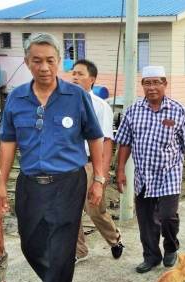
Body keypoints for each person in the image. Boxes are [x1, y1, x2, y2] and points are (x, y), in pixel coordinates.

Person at [0, 33, 105, 282]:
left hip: (68, 184)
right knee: (31, 247)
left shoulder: (76, 95)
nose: (44, 67)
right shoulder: (16, 98)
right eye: (37, 61)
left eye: (50, 60)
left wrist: (98, 178)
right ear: (27, 62)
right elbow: (7, 143)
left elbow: (95, 137)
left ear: (59, 62)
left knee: (61, 250)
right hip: (30, 184)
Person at [115, 65, 185, 274]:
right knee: (146, 221)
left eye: (157, 82)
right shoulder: (133, 110)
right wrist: (120, 171)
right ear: (143, 86)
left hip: (169, 173)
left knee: (167, 215)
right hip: (143, 175)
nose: (152, 87)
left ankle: (171, 246)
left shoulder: (177, 109)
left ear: (165, 84)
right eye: (147, 83)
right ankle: (151, 256)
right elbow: (125, 143)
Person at [70, 59, 125, 262]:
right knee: (70, 210)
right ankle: (79, 250)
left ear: (92, 79)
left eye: (80, 74)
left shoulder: (101, 107)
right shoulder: (64, 103)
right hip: (69, 164)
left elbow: (107, 141)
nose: (75, 77)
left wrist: (102, 174)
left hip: (90, 164)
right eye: (73, 73)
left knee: (95, 210)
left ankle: (114, 239)